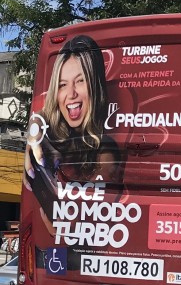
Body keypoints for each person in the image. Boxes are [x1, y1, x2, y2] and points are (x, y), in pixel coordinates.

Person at [24, 35, 124, 230]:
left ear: (95, 86)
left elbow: (97, 218)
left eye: (80, 81)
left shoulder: (106, 148)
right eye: (62, 85)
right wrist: (36, 124)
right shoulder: (47, 139)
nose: (71, 94)